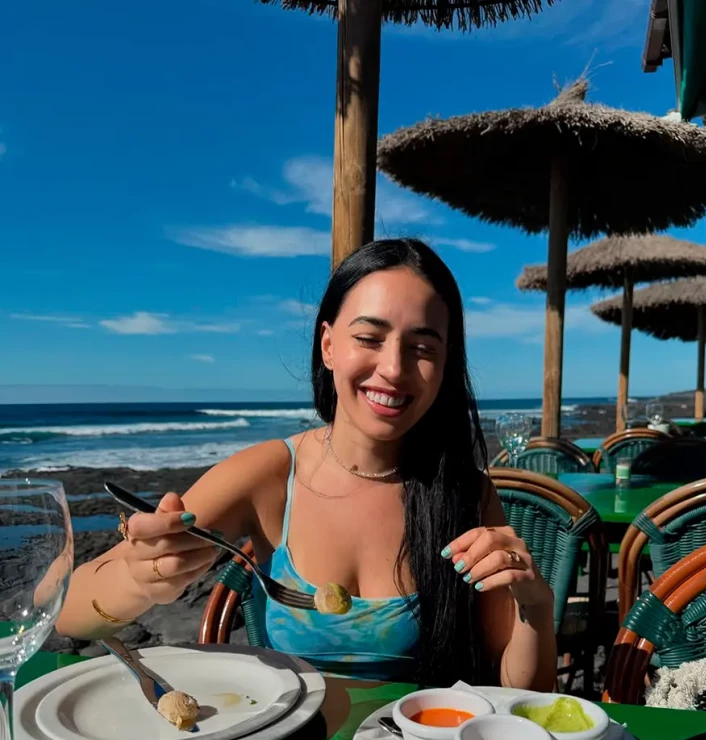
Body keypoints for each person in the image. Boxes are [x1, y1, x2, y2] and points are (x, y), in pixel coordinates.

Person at [57, 239, 557, 690]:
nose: (394, 368)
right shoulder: (271, 474)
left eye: (423, 348)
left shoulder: (464, 492)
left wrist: (535, 607)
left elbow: (513, 692)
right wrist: (137, 578)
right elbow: (62, 611)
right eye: (369, 338)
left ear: (445, 366)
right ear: (329, 345)